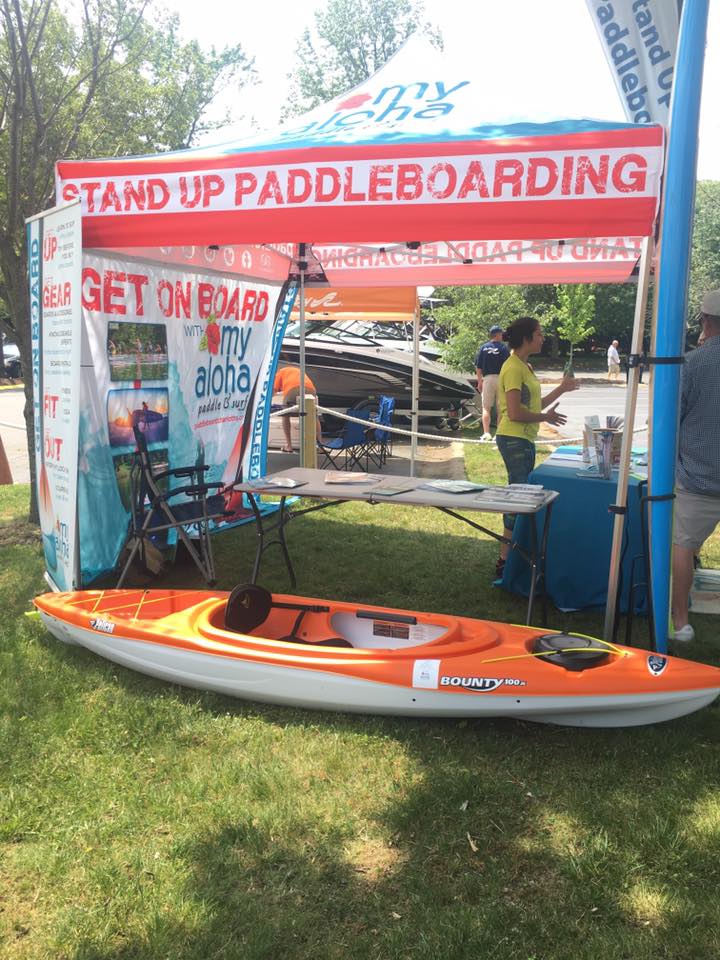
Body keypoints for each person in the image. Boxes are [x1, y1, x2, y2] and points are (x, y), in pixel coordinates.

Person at [494, 316, 580, 579]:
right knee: (518, 496)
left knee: (520, 494)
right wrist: (546, 418)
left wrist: (562, 390)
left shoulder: (525, 366)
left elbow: (533, 405)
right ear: (527, 338)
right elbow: (517, 413)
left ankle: (512, 557)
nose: (543, 338)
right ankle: (505, 561)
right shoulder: (513, 368)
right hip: (513, 438)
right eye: (540, 334)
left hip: (523, 439)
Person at [670, 290, 720, 642]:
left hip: (697, 477)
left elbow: (673, 418)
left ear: (705, 321)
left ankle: (680, 621)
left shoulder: (692, 363)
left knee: (683, 546)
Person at [273, 366, 321, 453]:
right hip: (311, 389)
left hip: (293, 389)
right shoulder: (296, 370)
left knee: (285, 414)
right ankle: (320, 446)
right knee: (314, 415)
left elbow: (273, 390)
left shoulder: (279, 372)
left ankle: (289, 446)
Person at [475, 324, 510, 441]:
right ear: (497, 335)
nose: (502, 336)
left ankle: (486, 433)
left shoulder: (483, 348)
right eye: (501, 334)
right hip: (501, 378)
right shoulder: (504, 348)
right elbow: (508, 366)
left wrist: (479, 381)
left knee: (486, 408)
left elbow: (478, 367)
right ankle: (498, 435)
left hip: (488, 379)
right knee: (500, 409)